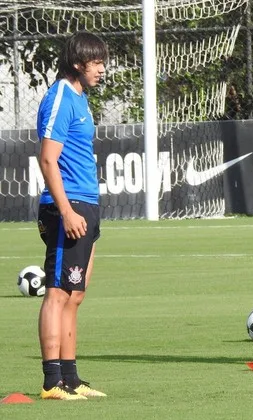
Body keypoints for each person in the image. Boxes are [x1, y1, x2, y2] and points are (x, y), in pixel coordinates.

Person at [36, 31, 109, 400]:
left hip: (87, 204)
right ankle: (51, 381)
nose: (102, 70)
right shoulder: (61, 97)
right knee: (57, 292)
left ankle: (70, 377)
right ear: (79, 63)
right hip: (67, 205)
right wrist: (65, 211)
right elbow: (47, 158)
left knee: (74, 295)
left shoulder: (81, 99)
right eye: (97, 63)